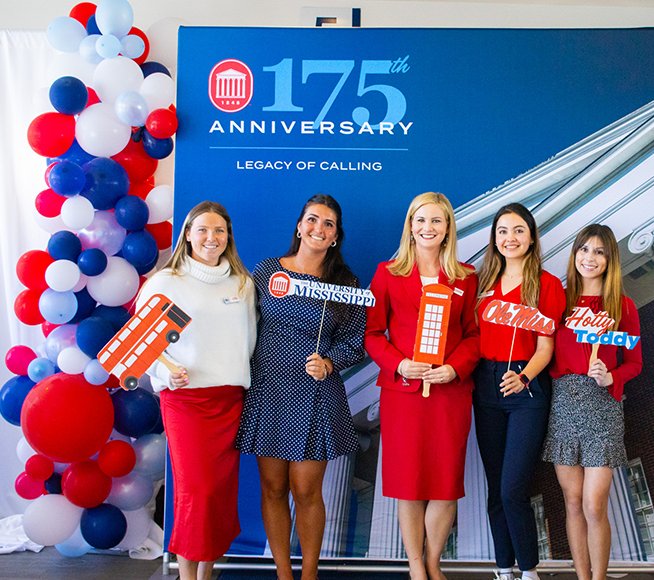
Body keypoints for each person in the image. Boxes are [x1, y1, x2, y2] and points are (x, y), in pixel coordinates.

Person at [236, 194, 365, 580]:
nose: (318, 229)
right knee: (273, 489)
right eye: (312, 220)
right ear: (299, 225)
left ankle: (309, 574)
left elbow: (355, 341)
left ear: (336, 237)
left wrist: (329, 362)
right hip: (268, 392)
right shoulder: (266, 272)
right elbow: (239, 326)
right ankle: (283, 574)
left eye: (328, 224)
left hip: (314, 394)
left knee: (306, 491)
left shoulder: (346, 282)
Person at [138, 201, 257, 580]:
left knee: (219, 495)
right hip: (187, 403)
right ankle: (187, 577)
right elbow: (141, 343)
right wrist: (165, 372)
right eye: (202, 230)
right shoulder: (164, 282)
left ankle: (206, 573)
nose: (211, 238)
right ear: (187, 234)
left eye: (219, 230)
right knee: (196, 494)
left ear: (228, 237)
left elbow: (249, 342)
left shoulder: (242, 283)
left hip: (230, 401)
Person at [365, 192, 480, 580]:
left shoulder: (466, 277)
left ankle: (434, 562)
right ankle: (416, 566)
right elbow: (373, 333)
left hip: (449, 393)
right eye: (420, 220)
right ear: (410, 227)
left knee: (446, 485)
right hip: (404, 395)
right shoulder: (388, 273)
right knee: (409, 484)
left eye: (436, 221)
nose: (427, 228)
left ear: (448, 228)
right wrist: (400, 364)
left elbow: (475, 336)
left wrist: (455, 368)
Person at [541, 224, 642, 580]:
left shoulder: (622, 306)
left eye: (600, 251)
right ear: (574, 254)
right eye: (584, 249)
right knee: (572, 502)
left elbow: (635, 362)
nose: (590, 257)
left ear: (610, 259)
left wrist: (612, 376)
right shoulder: (558, 304)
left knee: (594, 503)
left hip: (604, 406)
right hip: (564, 403)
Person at [473, 204, 564, 580]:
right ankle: (503, 568)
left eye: (518, 231)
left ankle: (529, 570)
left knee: (513, 488)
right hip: (485, 384)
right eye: (502, 231)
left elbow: (546, 347)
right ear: (494, 239)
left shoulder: (547, 284)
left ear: (531, 237)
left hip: (526, 388)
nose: (510, 238)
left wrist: (523, 377)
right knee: (495, 490)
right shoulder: (482, 286)